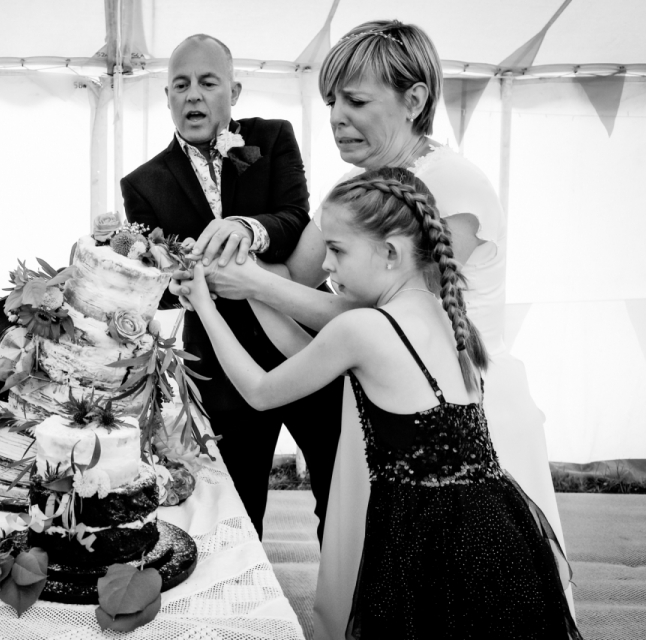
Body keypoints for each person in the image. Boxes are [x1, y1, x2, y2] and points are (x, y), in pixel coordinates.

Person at [197, 20, 573, 634]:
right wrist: (243, 241)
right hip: (379, 421)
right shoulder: (355, 189)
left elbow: (380, 321)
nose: (337, 117)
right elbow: (299, 278)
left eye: (357, 100)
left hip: (468, 429)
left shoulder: (452, 183)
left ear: (416, 99)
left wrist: (255, 285)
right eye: (330, 102)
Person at [120, 34, 341, 541]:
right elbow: (161, 284)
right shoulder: (142, 184)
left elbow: (295, 218)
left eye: (207, 82)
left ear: (233, 91)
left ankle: (345, 599)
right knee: (236, 514)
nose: (193, 95)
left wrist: (246, 228)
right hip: (221, 367)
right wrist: (169, 278)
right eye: (180, 85)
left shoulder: (275, 136)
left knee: (338, 491)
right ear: (168, 98)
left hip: (309, 343)